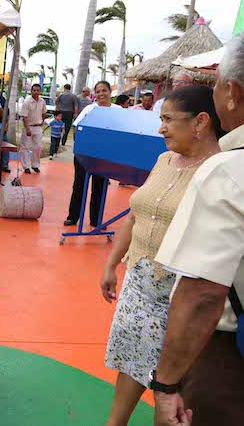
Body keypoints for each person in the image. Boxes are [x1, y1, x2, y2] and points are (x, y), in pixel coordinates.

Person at [99, 86, 225, 426]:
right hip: (138, 285)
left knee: (170, 383)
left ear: (200, 122)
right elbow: (135, 216)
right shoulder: (164, 160)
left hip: (180, 295)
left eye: (169, 119)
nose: (161, 128)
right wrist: (112, 264)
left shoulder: (219, 171)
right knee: (131, 362)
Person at [152, 34, 244, 426]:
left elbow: (203, 294)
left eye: (218, 84)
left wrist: (166, 385)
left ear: (232, 93)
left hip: (228, 359)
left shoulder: (227, 170)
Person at [64, 81, 119, 227]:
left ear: (110, 92)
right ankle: (73, 217)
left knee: (99, 187)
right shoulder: (89, 109)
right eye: (98, 91)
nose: (101, 94)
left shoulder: (118, 110)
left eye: (104, 90)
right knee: (79, 185)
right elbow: (77, 128)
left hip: (104, 156)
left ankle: (96, 220)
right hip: (84, 154)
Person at [19, 83, 46, 174]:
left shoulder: (42, 101)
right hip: (29, 126)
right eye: (34, 90)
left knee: (38, 147)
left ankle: (35, 165)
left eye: (38, 90)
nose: (36, 92)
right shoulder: (27, 102)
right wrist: (27, 129)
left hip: (38, 127)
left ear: (40, 91)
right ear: (31, 91)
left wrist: (42, 121)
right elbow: (24, 116)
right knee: (25, 147)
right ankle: (26, 166)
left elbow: (44, 112)